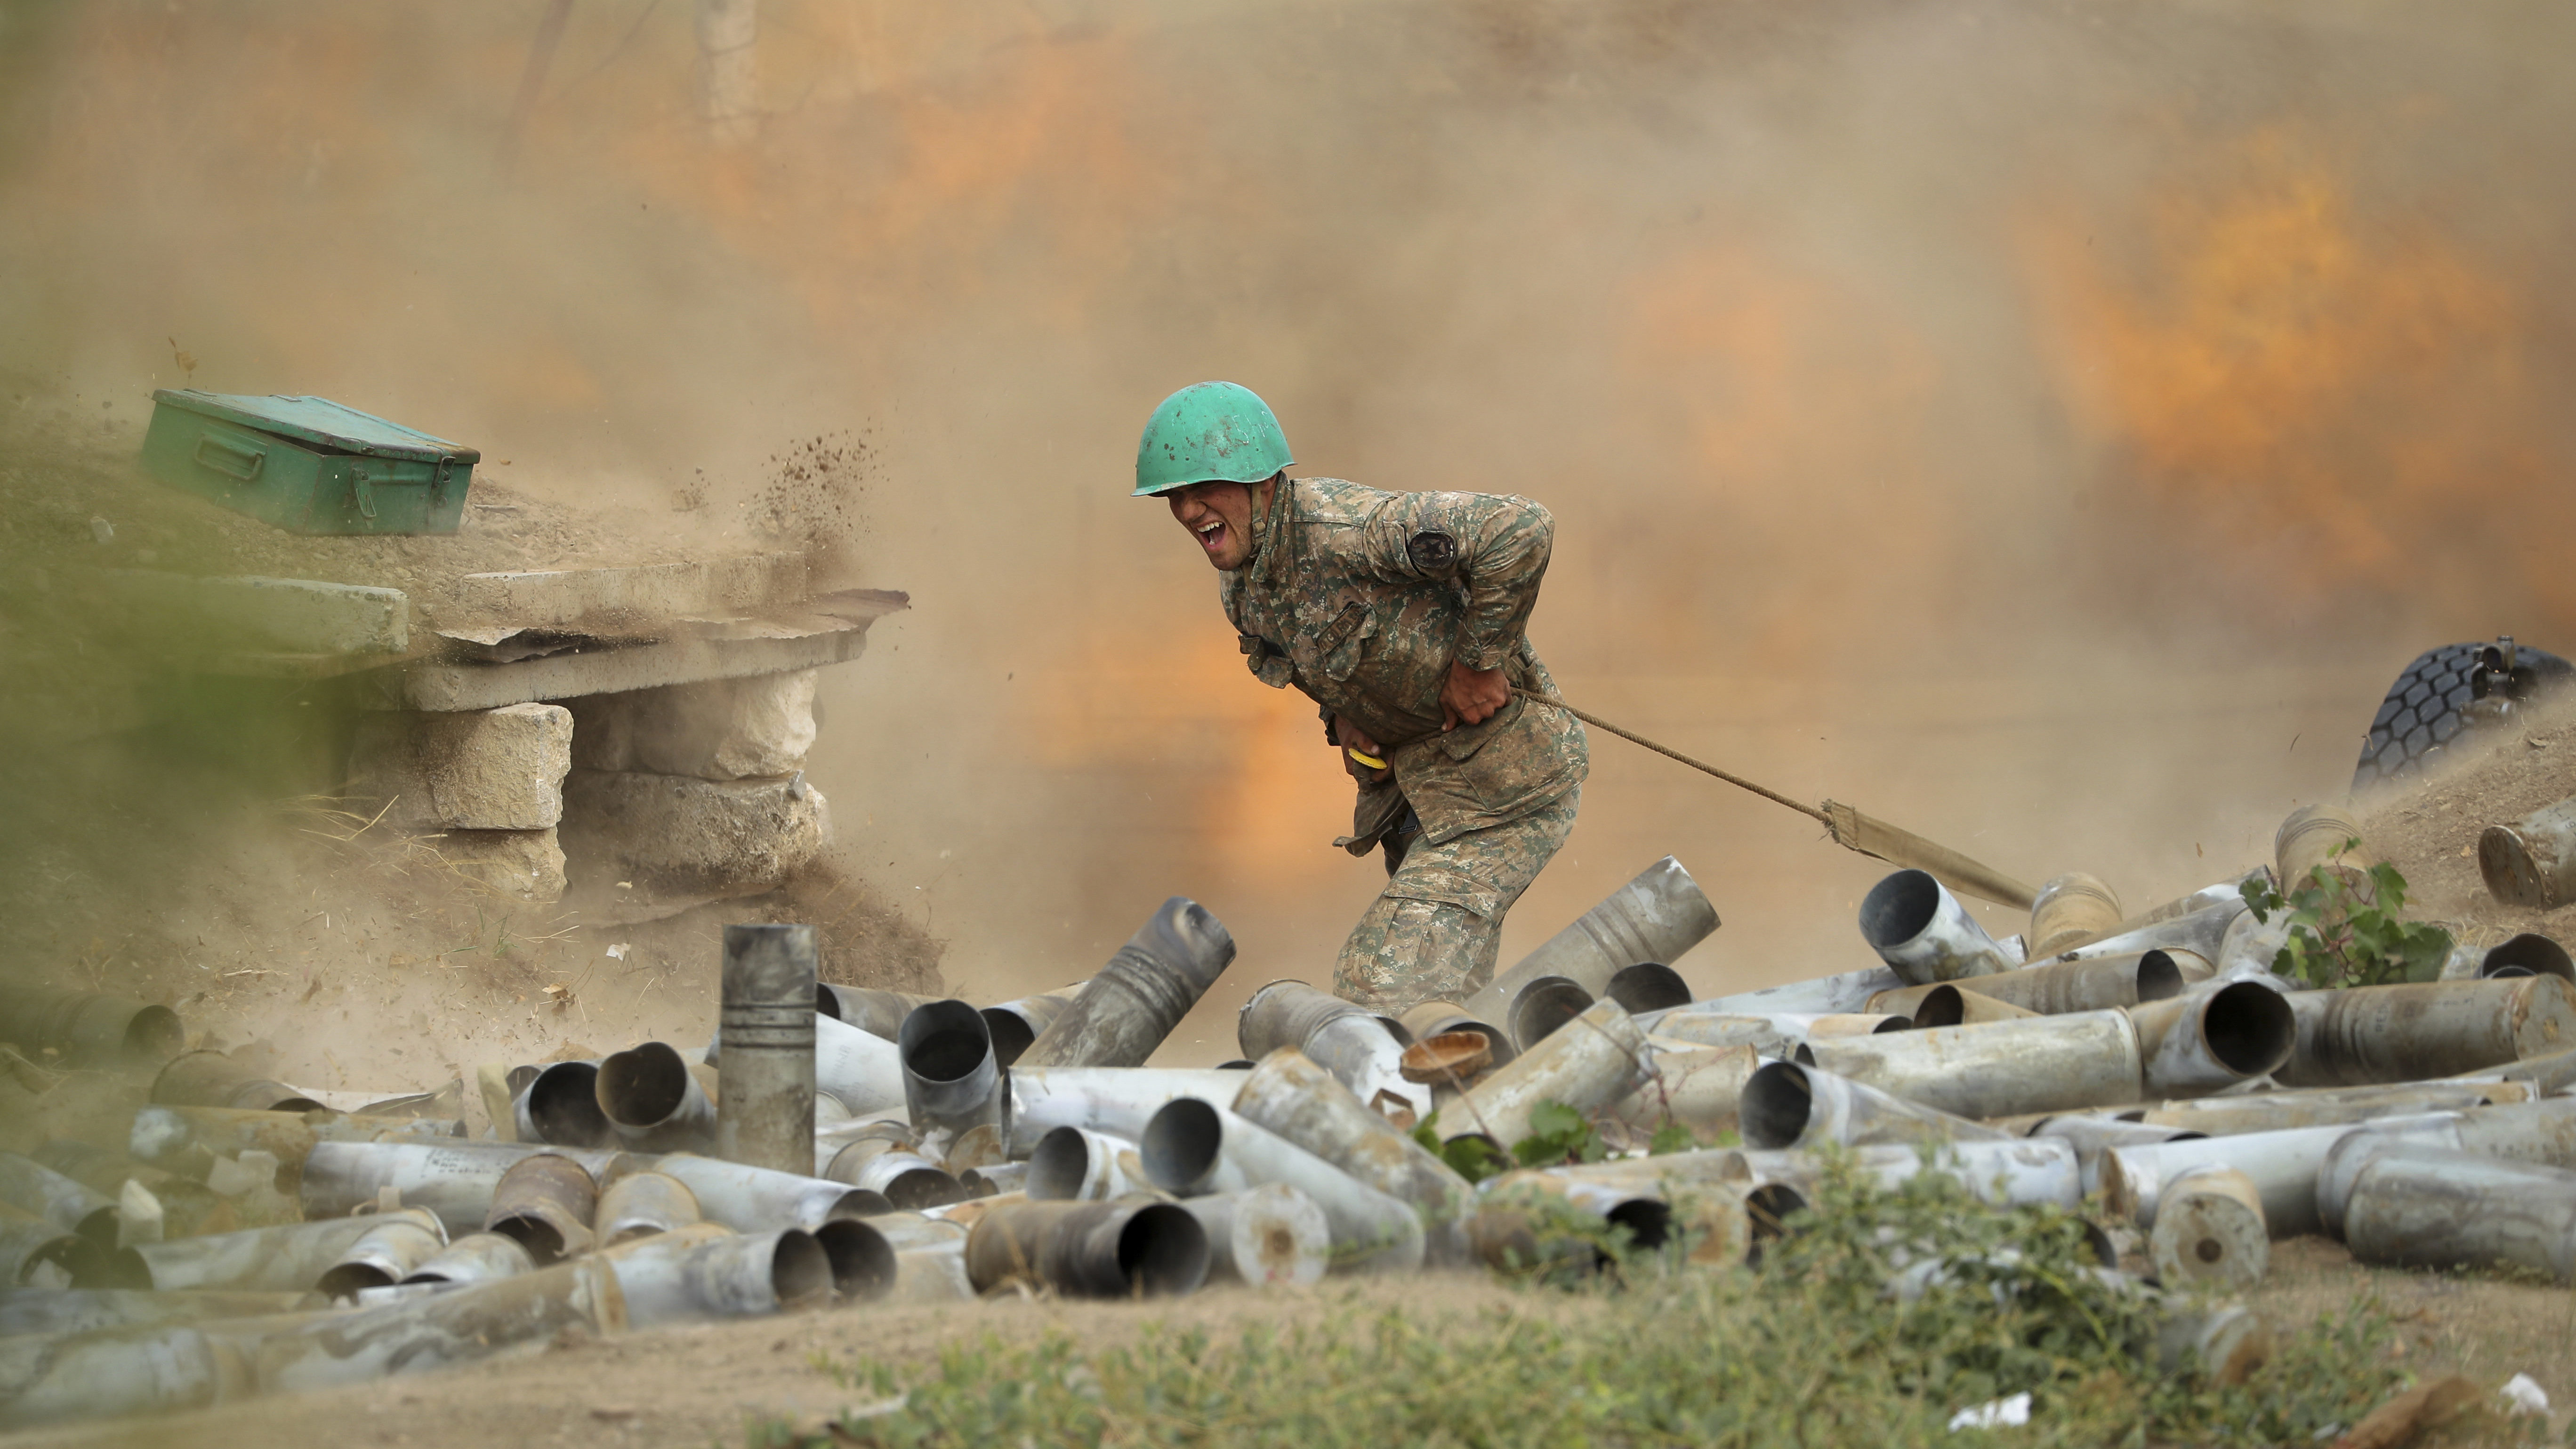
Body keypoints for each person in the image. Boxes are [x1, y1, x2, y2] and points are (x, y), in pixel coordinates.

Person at [1134, 380, 1587, 1011]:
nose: (1187, 511)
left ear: (1262, 482)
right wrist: (1344, 718)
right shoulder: (1245, 590)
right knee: (1439, 996)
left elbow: (1521, 528)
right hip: (1420, 801)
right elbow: (1312, 658)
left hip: (1504, 787)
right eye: (1173, 497)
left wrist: (1478, 663)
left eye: (1202, 489)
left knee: (1385, 984)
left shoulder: (1352, 532)